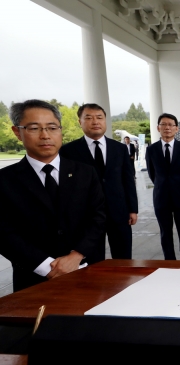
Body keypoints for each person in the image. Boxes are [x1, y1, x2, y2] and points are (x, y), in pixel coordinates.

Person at [0, 100, 105, 291]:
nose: (45, 135)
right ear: (17, 132)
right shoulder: (4, 180)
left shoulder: (85, 173)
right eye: (34, 128)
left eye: (52, 127)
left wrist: (76, 256)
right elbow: (4, 232)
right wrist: (47, 267)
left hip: (86, 268)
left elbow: (98, 217)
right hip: (33, 278)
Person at [59, 103, 138, 259]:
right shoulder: (68, 151)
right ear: (79, 122)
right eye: (88, 118)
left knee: (123, 256)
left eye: (99, 117)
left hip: (118, 211)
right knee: (91, 257)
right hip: (85, 215)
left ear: (105, 121)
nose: (95, 122)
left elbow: (128, 180)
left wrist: (132, 209)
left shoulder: (120, 149)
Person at [146, 113, 180, 260]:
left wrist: (178, 185)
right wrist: (163, 185)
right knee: (165, 231)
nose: (167, 127)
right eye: (163, 124)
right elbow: (152, 173)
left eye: (171, 125)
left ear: (177, 129)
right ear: (158, 128)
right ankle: (170, 260)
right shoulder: (151, 150)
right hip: (161, 197)